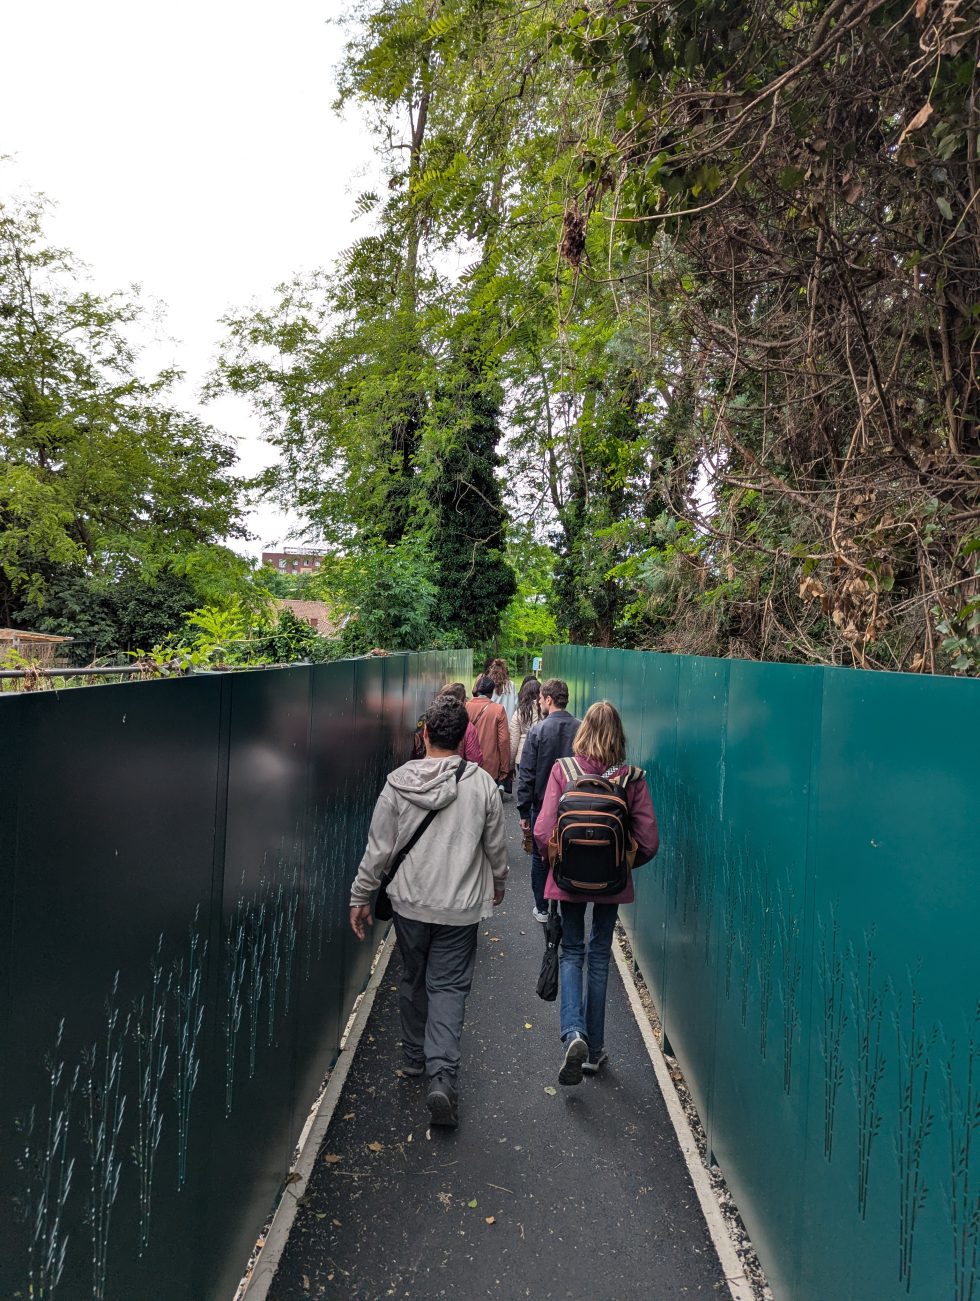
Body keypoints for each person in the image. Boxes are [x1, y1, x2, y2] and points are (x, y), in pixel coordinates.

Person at [349, 693, 508, 1128]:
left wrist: (360, 896)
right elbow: (496, 846)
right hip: (460, 908)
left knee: (412, 975)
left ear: (424, 735)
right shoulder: (481, 785)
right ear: (463, 737)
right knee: (449, 988)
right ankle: (442, 1076)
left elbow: (378, 851)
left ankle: (413, 1056)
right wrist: (499, 882)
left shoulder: (397, 783)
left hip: (409, 904)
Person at [533, 701, 659, 1085]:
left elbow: (543, 831)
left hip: (568, 880)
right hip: (611, 882)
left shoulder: (563, 770)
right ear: (619, 735)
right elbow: (649, 841)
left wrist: (557, 863)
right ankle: (595, 1050)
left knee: (572, 951)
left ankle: (574, 1033)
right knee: (599, 955)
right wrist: (621, 865)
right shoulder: (631, 778)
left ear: (583, 731)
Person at [517, 678, 580, 923]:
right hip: (574, 806)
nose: (539, 703)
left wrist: (523, 812)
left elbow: (527, 774)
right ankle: (567, 902)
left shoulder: (538, 731)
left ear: (549, 699)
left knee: (540, 855)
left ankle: (542, 907)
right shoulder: (580, 728)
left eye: (541, 699)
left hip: (542, 805)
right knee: (570, 852)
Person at [465, 675, 510, 788]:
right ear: (492, 692)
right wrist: (504, 768)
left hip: (468, 764)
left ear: (477, 690)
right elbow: (504, 740)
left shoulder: (466, 706)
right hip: (490, 766)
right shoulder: (498, 709)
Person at [439, 682, 483, 765]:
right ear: (463, 702)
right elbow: (475, 759)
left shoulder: (429, 720)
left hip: (428, 770)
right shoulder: (467, 726)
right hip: (456, 771)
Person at [508, 675, 542, 773]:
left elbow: (514, 741)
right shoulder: (545, 712)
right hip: (542, 757)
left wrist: (510, 765)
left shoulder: (519, 713)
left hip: (523, 757)